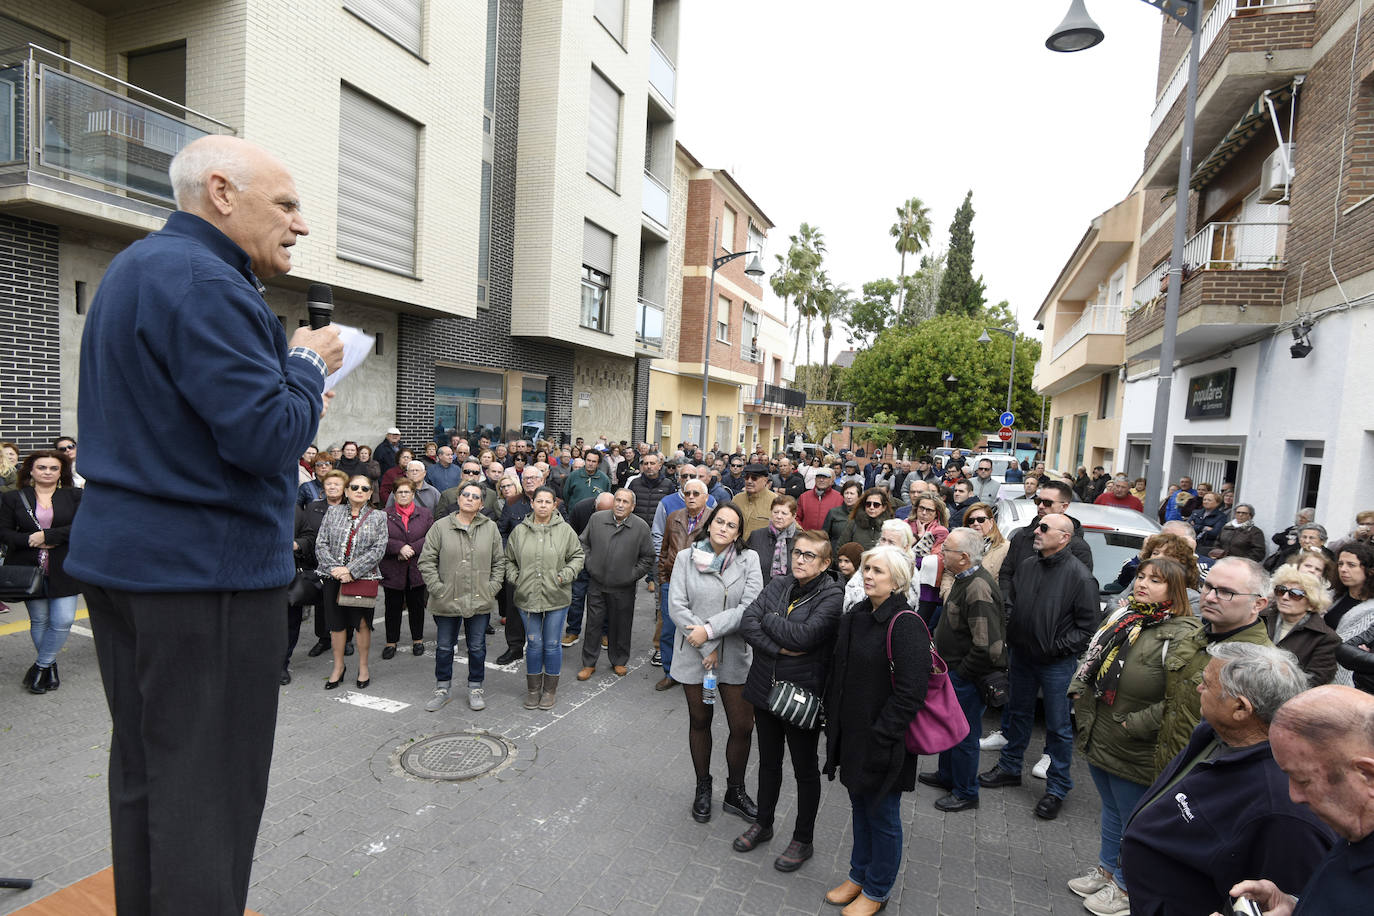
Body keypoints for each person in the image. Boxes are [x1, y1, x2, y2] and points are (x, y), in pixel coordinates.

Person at [66, 134, 343, 916]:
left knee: (150, 772)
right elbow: (266, 437)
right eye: (287, 204)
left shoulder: (134, 270)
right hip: (203, 578)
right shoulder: (208, 283)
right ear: (222, 193)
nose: (301, 225)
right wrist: (309, 363)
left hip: (132, 566)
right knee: (209, 790)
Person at [1121, 645, 1336, 916]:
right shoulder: (1215, 734)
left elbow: (1276, 900)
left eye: (1207, 683)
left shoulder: (1282, 810)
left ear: (1240, 708)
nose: (1199, 688)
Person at [1063, 557, 1199, 914]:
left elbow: (1179, 697)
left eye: (1155, 581)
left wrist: (1133, 724)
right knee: (1110, 808)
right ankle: (1107, 870)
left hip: (1135, 741)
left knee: (1133, 818)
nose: (1143, 584)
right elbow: (1093, 655)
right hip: (1101, 730)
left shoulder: (1183, 633)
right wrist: (1079, 688)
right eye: (1141, 577)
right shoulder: (1125, 616)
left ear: (1175, 590)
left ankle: (1126, 887)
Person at [822, 545, 929, 916]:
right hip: (852, 735)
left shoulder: (907, 624)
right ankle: (859, 875)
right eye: (867, 568)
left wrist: (881, 737)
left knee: (882, 815)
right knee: (859, 807)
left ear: (897, 580)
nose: (868, 575)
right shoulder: (857, 614)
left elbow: (911, 693)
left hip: (884, 742)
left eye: (878, 571)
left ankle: (878, 888)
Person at [734, 529, 843, 872]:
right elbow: (748, 622)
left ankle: (803, 839)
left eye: (809, 555)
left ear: (826, 563)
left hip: (800, 695)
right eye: (797, 552)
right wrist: (778, 644)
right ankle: (763, 823)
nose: (800, 559)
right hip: (765, 687)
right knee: (768, 762)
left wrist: (770, 622)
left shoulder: (832, 595)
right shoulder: (779, 584)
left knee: (804, 768)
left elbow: (807, 636)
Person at [979, 513, 1098, 820]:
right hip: (1021, 656)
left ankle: (1057, 788)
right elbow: (1013, 602)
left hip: (1056, 664)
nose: (1036, 531)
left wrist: (1054, 648)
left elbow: (1087, 629)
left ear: (1064, 537)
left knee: (1058, 727)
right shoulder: (1029, 565)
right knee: (1016, 714)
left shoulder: (1080, 576)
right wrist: (1012, 629)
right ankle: (1009, 767)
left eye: (1044, 528)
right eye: (1037, 526)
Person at [1220, 684, 1374, 915]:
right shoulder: (1358, 826)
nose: (1294, 796)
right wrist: (1295, 905)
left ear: (1366, 774)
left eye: (1303, 781)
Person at [669, 502, 764, 824]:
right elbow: (677, 607)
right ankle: (703, 787)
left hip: (735, 655)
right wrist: (706, 645)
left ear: (739, 533)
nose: (723, 528)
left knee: (742, 726)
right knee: (700, 721)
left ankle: (735, 791)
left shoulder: (749, 560)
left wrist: (709, 630)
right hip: (695, 655)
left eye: (731, 525)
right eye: (719, 522)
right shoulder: (685, 558)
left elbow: (750, 608)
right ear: (710, 524)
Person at [1153, 557, 1275, 773]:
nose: (1210, 597)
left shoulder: (1261, 665)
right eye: (1208, 586)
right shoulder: (1195, 637)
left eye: (1226, 592)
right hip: (1166, 768)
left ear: (1258, 604)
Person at [918, 528, 1006, 812]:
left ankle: (967, 791)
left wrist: (961, 674)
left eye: (947, 551)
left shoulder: (978, 587)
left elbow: (987, 646)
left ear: (965, 557)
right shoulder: (963, 578)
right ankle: (947, 776)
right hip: (953, 673)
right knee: (949, 727)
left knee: (965, 733)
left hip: (965, 677)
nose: (941, 554)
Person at [418, 481, 504, 712]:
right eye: (465, 494)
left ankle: (475, 687)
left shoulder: (490, 528)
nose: (468, 498)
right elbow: (426, 561)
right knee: (445, 647)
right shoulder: (440, 526)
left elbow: (499, 562)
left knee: (477, 647)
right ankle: (442, 689)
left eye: (474, 496)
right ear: (458, 499)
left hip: (479, 598)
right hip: (446, 598)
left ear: (481, 503)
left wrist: (492, 588)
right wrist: (438, 588)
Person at [3, 450, 82, 693]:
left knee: (63, 620)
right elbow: (3, 531)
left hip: (65, 566)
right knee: (39, 620)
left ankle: (41, 665)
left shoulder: (76, 495)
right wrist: (29, 540)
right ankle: (50, 667)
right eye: (41, 467)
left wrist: (48, 536)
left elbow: (83, 526)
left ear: (61, 472)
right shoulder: (14, 498)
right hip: (28, 567)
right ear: (31, 471)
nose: (47, 472)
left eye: (53, 468)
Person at [505, 486, 583, 711]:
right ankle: (532, 690)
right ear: (532, 503)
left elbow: (577, 556)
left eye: (547, 502)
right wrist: (515, 577)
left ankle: (549, 691)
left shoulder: (565, 530)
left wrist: (564, 575)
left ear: (554, 505)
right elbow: (508, 559)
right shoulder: (520, 531)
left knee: (551, 644)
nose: (542, 505)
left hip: (556, 595)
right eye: (539, 501)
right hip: (527, 596)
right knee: (534, 644)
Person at [316, 474, 387, 690]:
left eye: (364, 488)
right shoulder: (333, 512)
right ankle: (338, 667)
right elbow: (321, 544)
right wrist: (337, 571)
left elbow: (379, 549)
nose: (359, 491)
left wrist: (351, 570)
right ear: (346, 491)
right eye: (354, 487)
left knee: (362, 624)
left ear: (369, 494)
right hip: (333, 578)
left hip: (361, 579)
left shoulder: (379, 517)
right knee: (336, 626)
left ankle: (363, 667)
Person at [576, 489, 654, 679]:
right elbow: (582, 543)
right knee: (593, 624)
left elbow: (648, 557)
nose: (620, 504)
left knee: (621, 625)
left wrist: (631, 575)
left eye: (625, 502)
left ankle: (619, 660)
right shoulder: (597, 519)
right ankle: (589, 663)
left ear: (632, 506)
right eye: (617, 500)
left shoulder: (641, 527)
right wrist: (591, 565)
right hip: (597, 583)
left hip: (624, 587)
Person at [292, 468, 348, 671]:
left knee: (342, 603)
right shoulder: (313, 507)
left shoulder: (350, 507)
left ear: (344, 488)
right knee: (322, 603)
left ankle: (345, 639)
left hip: (342, 566)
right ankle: (323, 639)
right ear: (323, 487)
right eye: (329, 484)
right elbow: (307, 533)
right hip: (315, 564)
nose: (333, 487)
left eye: (337, 484)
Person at [379, 478, 434, 661]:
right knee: (392, 607)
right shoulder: (383, 515)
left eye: (407, 492)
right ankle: (391, 642)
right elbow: (378, 540)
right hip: (393, 568)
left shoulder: (425, 514)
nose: (403, 495)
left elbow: (432, 536)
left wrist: (412, 549)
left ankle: (417, 640)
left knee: (417, 606)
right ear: (394, 495)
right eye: (400, 492)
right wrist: (398, 548)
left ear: (413, 494)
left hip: (417, 568)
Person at [1261, 564, 1340, 685]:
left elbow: (1315, 682)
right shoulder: (1260, 618)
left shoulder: (1326, 638)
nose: (1285, 597)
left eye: (1295, 594)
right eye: (1281, 590)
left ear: (1311, 603)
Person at [748, 495, 800, 587]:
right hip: (759, 591)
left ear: (794, 516)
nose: (779, 516)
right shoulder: (756, 536)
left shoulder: (801, 540)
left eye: (784, 513)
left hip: (790, 594)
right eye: (775, 512)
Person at [831, 488, 893, 555]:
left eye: (876, 505)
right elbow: (840, 548)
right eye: (868, 504)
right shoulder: (854, 524)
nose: (871, 507)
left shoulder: (890, 527)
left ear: (884, 507)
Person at [733, 464, 776, 539]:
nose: (749, 481)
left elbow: (793, 529)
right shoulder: (737, 499)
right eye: (746, 477)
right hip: (736, 547)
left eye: (754, 478)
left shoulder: (776, 501)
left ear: (765, 480)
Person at [796, 466, 842, 531]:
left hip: (828, 539)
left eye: (825, 478)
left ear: (831, 481)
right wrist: (802, 532)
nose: (821, 480)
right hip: (807, 538)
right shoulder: (804, 497)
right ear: (815, 479)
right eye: (819, 477)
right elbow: (797, 517)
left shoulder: (839, 498)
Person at [824, 480, 863, 554]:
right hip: (835, 554)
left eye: (852, 494)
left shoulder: (863, 514)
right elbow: (825, 535)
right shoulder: (833, 512)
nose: (848, 497)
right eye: (846, 493)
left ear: (859, 496)